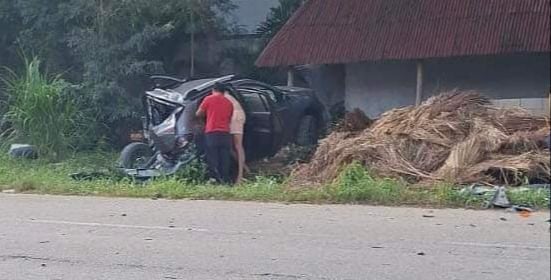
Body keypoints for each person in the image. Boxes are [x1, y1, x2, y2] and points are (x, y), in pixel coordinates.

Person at [196, 83, 233, 184]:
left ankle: (214, 179)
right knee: (225, 157)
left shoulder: (208, 99)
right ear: (224, 91)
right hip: (225, 133)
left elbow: (198, 113)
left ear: (213, 89)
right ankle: (225, 179)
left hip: (212, 132)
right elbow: (229, 118)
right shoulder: (229, 102)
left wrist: (204, 120)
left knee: (212, 157)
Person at [224, 89, 247, 184]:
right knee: (233, 147)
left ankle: (240, 176)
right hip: (236, 117)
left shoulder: (224, 97)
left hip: (236, 118)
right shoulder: (230, 98)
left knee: (237, 146)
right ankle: (244, 168)